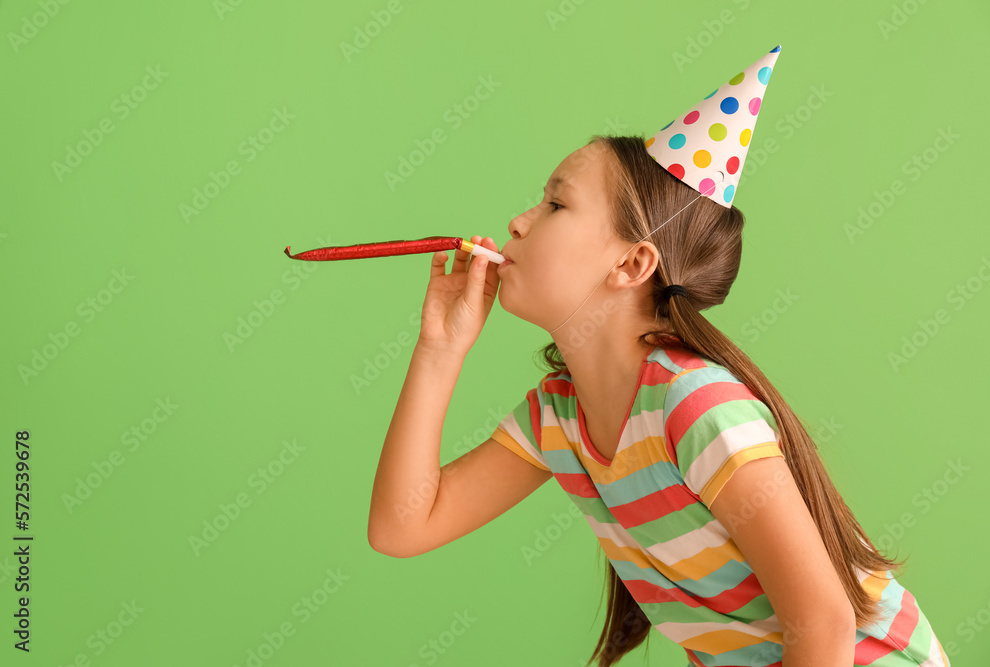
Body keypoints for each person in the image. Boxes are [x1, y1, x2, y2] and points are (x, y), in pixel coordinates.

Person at [368, 44, 950, 666]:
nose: (517, 221)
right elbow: (404, 525)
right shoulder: (558, 419)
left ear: (632, 264)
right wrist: (441, 347)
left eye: (555, 204)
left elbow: (825, 622)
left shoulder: (694, 406)